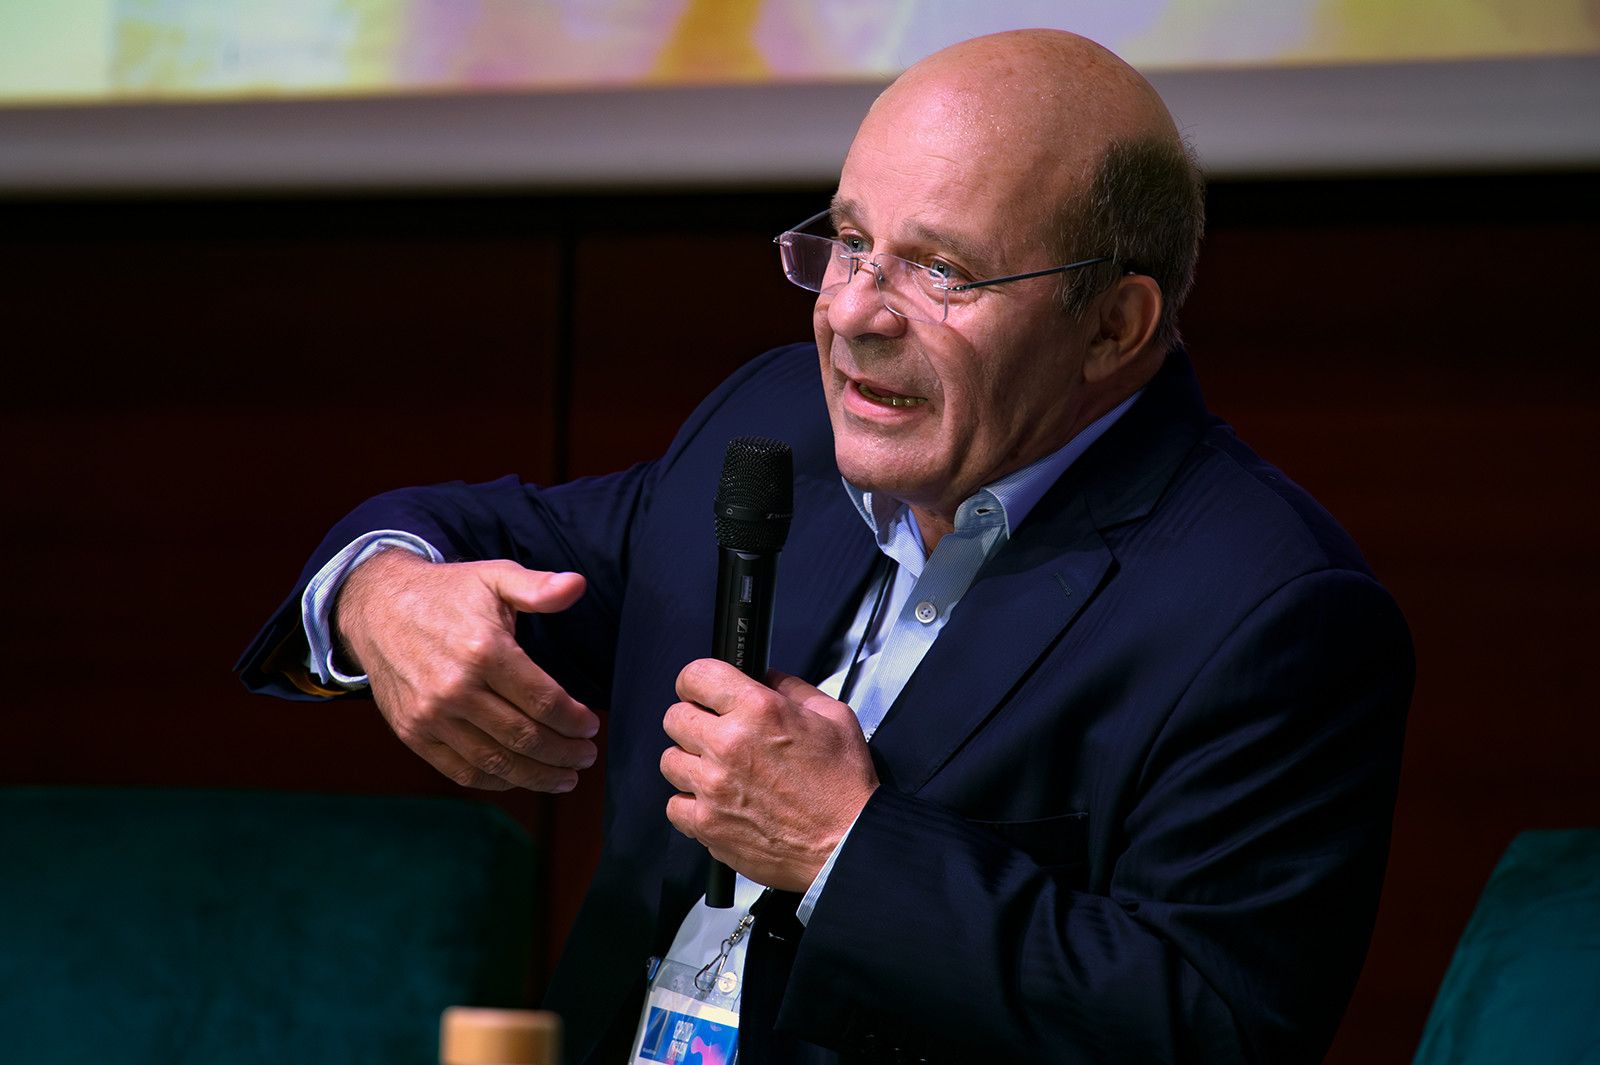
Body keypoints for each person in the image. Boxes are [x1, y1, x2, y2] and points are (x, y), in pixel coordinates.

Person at [240, 28, 1412, 1065]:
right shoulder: (777, 433)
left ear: (1114, 324)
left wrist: (843, 847)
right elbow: (490, 538)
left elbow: (1208, 1026)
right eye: (848, 243)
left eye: (941, 270)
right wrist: (384, 592)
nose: (852, 313)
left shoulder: (1270, 610)